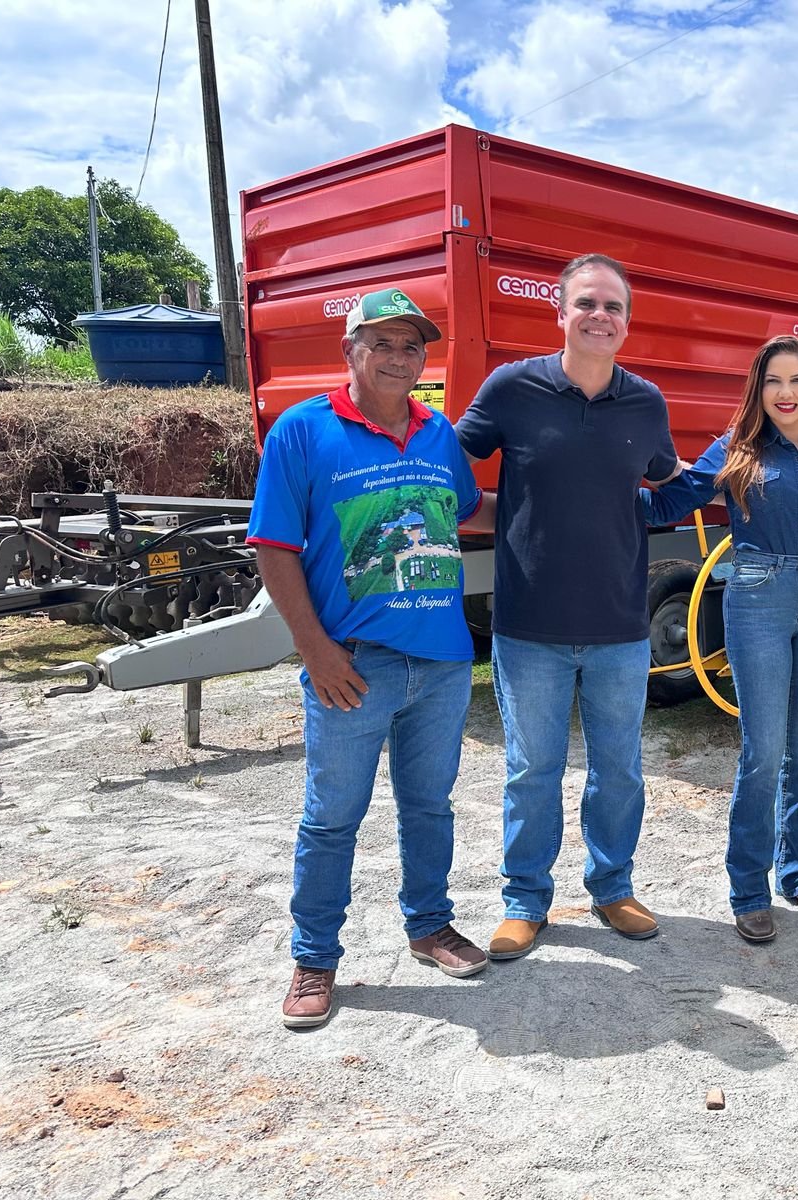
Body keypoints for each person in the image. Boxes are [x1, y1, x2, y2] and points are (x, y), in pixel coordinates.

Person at [249, 286, 495, 1029]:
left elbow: (466, 508)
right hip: (353, 665)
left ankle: (428, 925)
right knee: (332, 819)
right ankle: (315, 957)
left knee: (429, 806)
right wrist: (315, 650)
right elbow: (273, 546)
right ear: (349, 350)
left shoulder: (437, 432)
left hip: (445, 662)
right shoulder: (302, 431)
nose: (398, 357)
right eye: (380, 343)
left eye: (411, 345)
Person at [455, 253, 682, 960]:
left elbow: (664, 486)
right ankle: (526, 902)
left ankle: (612, 888)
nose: (600, 316)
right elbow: (449, 458)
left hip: (619, 624)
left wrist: (731, 476)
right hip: (530, 627)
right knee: (532, 770)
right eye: (587, 303)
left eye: (613, 307)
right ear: (559, 313)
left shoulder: (645, 403)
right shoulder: (513, 388)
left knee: (619, 771)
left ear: (627, 323)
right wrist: (488, 508)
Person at [642, 336, 798, 944]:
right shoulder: (734, 449)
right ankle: (749, 888)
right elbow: (668, 505)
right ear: (758, 391)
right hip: (759, 594)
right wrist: (600, 490)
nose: (785, 393)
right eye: (772, 382)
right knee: (764, 748)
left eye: (797, 380)